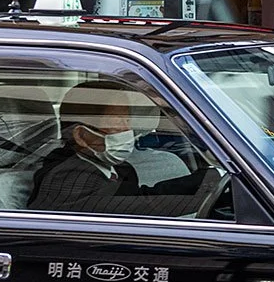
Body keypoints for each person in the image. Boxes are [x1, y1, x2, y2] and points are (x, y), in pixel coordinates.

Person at [28, 81, 220, 215]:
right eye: (116, 120)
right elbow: (139, 208)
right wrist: (209, 197)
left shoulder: (115, 168)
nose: (127, 128)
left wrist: (211, 178)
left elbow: (143, 196)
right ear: (81, 136)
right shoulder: (67, 177)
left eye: (127, 119)